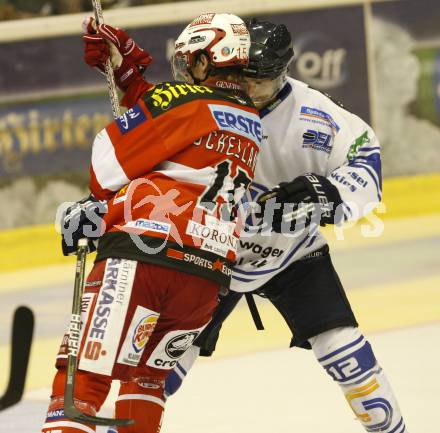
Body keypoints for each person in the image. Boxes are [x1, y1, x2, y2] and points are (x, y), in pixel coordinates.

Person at [82, 18, 408, 433]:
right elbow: (160, 115)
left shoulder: (315, 116)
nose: (248, 91)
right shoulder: (209, 104)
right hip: (214, 250)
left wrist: (327, 191)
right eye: (239, 78)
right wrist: (126, 71)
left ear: (283, 73)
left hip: (293, 251)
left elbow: (365, 158)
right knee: (161, 365)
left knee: (345, 352)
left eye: (260, 82)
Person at [41, 13, 261, 433]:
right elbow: (180, 127)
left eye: (191, 61)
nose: (186, 69)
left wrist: (100, 209)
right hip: (205, 278)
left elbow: (107, 169)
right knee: (146, 382)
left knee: (82, 379)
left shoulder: (187, 101)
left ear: (205, 60)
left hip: (143, 261)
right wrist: (126, 72)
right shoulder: (250, 120)